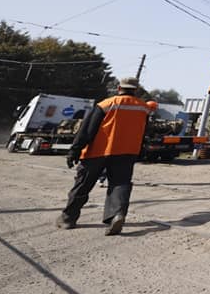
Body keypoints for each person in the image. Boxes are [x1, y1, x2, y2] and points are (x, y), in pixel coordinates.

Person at [56, 77, 155, 235]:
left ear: (119, 88)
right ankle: (116, 216)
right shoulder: (144, 109)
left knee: (82, 186)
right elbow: (144, 132)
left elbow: (87, 130)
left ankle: (68, 219)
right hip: (126, 153)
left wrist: (74, 150)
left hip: (98, 152)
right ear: (136, 90)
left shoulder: (106, 104)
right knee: (120, 185)